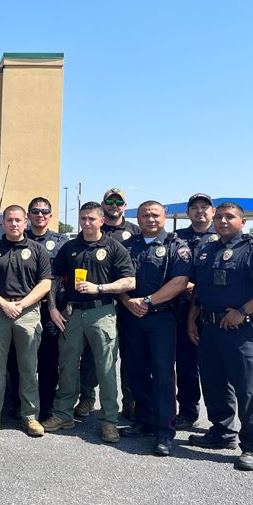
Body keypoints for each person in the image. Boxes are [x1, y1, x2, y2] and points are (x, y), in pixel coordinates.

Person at [187, 202, 253, 471]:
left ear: (243, 222)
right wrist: (191, 320)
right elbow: (198, 291)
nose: (223, 221)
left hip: (241, 332)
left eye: (230, 217)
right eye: (219, 217)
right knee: (214, 384)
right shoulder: (207, 252)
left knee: (248, 391)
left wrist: (242, 311)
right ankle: (221, 433)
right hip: (210, 329)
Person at [42, 202, 135, 443]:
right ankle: (63, 414)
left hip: (101, 312)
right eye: (83, 218)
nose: (86, 222)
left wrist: (100, 288)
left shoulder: (114, 247)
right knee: (68, 365)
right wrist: (52, 307)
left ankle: (109, 421)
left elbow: (129, 282)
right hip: (72, 313)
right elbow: (52, 278)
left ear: (102, 221)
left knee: (105, 370)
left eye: (92, 219)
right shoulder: (70, 247)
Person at [116, 201, 190, 456]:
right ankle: (144, 420)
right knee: (135, 370)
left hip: (161, 318)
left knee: (162, 374)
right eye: (145, 215)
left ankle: (164, 430)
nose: (150, 219)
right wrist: (128, 302)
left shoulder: (175, 247)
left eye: (155, 215)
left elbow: (180, 282)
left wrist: (147, 301)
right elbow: (118, 280)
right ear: (138, 217)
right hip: (131, 316)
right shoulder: (128, 246)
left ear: (164, 217)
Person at [0, 205, 52, 436]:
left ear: (25, 223)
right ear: (3, 223)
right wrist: (3, 304)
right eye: (10, 220)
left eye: (18, 220)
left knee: (29, 369)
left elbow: (45, 283)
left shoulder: (37, 250)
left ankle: (30, 416)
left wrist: (22, 304)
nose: (14, 224)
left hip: (27, 314)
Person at [94, 186, 142, 419]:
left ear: (125, 205)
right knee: (99, 357)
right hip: (99, 303)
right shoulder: (94, 228)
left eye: (118, 202)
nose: (114, 205)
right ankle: (89, 400)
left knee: (130, 357)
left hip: (129, 303)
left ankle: (130, 403)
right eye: (109, 201)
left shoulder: (136, 232)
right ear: (103, 204)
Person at [172, 192, 218, 429]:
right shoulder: (178, 237)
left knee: (213, 366)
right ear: (188, 213)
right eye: (194, 208)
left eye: (204, 207)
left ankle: (220, 421)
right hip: (182, 307)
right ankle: (188, 412)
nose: (200, 211)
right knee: (186, 363)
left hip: (211, 308)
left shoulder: (221, 235)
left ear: (213, 211)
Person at [24, 197, 67, 421]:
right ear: (28, 215)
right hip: (23, 309)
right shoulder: (20, 238)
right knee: (20, 360)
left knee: (49, 361)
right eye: (35, 211)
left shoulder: (61, 242)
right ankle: (19, 404)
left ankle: (46, 406)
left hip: (51, 310)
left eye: (45, 211)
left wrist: (56, 307)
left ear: (51, 215)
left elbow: (60, 278)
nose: (40, 215)